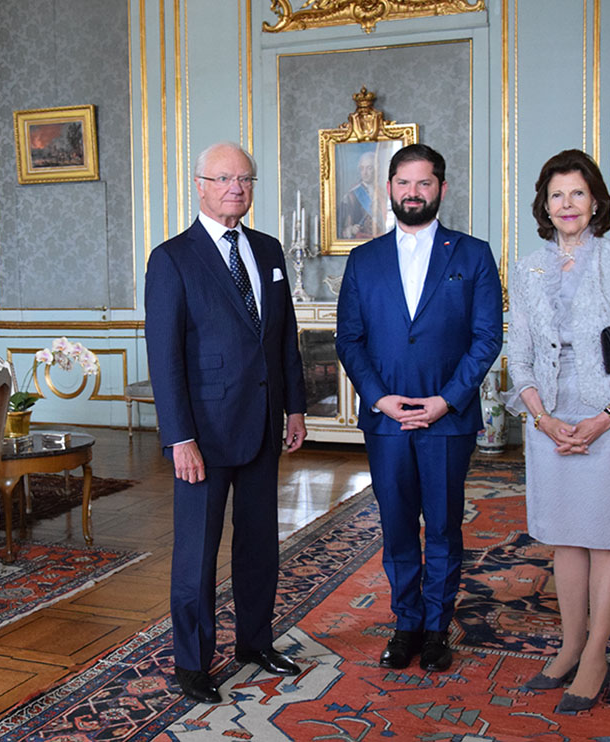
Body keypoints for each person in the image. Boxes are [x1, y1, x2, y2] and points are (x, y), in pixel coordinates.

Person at [503, 149, 610, 713]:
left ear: (595, 200)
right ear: (543, 206)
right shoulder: (526, 268)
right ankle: (570, 643)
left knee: (605, 537)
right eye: (556, 195)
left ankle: (597, 652)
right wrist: (543, 419)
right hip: (549, 418)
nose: (567, 204)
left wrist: (605, 419)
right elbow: (518, 357)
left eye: (577, 193)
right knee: (565, 535)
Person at [144, 141, 308, 705]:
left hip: (263, 425)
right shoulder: (172, 258)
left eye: (245, 179)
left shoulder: (268, 249)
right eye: (223, 179)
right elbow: (164, 358)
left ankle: (255, 643)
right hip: (204, 436)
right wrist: (178, 437)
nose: (236, 188)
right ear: (200, 185)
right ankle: (192, 662)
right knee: (197, 553)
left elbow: (282, 337)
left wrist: (296, 407)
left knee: (260, 545)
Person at [336, 143, 503, 673]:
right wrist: (379, 399)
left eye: (424, 183)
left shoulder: (472, 254)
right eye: (403, 183)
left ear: (442, 189)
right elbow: (348, 339)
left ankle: (437, 628)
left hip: (447, 419)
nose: (413, 192)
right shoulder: (363, 260)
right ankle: (405, 623)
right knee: (398, 527)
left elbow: (487, 338)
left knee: (446, 526)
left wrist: (446, 401)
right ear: (389, 189)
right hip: (386, 420)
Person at [339, 150, 389, 239]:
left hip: (381, 241)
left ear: (376, 169)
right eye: (362, 168)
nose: (365, 173)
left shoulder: (384, 193)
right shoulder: (352, 195)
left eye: (369, 168)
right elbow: (343, 228)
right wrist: (351, 229)